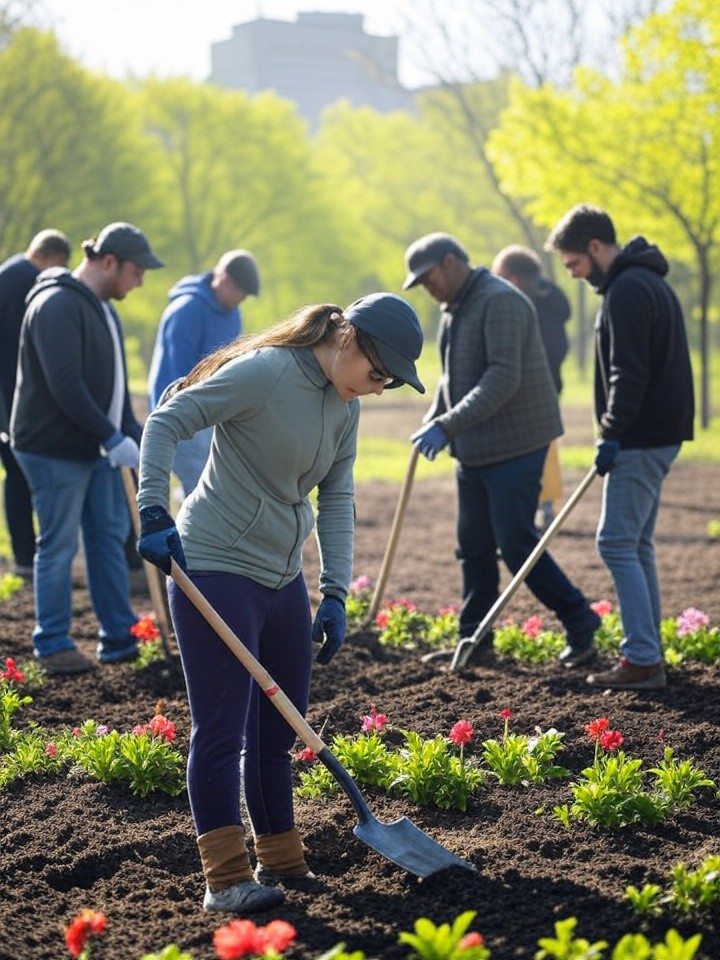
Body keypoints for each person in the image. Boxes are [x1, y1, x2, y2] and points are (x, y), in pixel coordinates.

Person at [136, 292, 425, 915]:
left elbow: (337, 499)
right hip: (213, 568)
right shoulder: (265, 372)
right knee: (221, 730)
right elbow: (166, 422)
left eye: (391, 385)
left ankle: (282, 860)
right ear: (347, 339)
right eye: (379, 375)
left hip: (280, 577)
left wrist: (336, 591)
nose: (379, 389)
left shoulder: (345, 407)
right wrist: (154, 508)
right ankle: (224, 879)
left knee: (278, 731)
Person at [403, 231, 600, 666]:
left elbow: (502, 378)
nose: (427, 288)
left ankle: (580, 620)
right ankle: (473, 639)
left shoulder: (500, 301)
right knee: (472, 544)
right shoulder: (454, 307)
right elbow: (452, 378)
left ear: (451, 262)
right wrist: (434, 418)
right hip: (474, 448)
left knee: (515, 543)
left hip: (516, 444)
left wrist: (448, 424)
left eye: (428, 277)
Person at [546, 204, 694, 690]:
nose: (575, 275)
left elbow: (627, 373)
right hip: (658, 433)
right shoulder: (646, 281)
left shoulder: (628, 290)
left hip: (640, 436)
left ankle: (643, 659)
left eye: (574, 265)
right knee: (637, 544)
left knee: (614, 542)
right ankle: (648, 650)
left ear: (594, 247)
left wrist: (611, 433)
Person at [10, 222, 165, 675]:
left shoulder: (102, 309)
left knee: (110, 536)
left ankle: (119, 636)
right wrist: (111, 437)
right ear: (109, 261)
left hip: (93, 448)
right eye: (136, 271)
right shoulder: (55, 303)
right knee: (58, 544)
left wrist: (135, 435)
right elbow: (66, 386)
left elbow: (113, 387)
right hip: (52, 448)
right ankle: (53, 643)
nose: (140, 282)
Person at [147, 250, 260, 497]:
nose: (240, 301)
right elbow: (179, 374)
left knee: (218, 486)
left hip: (211, 414)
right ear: (225, 280)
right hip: (181, 415)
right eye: (239, 293)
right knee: (202, 490)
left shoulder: (232, 314)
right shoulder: (186, 310)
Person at [0, 229, 72, 577]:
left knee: (16, 474)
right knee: (18, 475)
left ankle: (26, 556)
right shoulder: (23, 282)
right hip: (9, 398)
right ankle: (27, 557)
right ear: (52, 257)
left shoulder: (8, 275)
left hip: (8, 396)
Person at [491, 244, 571, 530]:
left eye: (498, 277)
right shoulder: (550, 301)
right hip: (546, 388)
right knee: (544, 449)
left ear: (513, 279)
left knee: (534, 451)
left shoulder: (527, 307)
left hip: (533, 391)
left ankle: (541, 507)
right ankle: (544, 506)